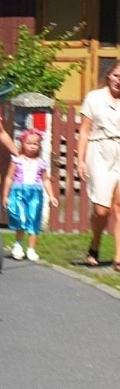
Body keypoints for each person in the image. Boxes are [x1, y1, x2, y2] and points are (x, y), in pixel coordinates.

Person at [76, 61, 120, 271]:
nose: (119, 80)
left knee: (119, 207)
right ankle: (95, 244)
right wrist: (80, 160)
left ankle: (118, 257)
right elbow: (84, 130)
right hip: (100, 151)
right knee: (102, 211)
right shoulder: (94, 98)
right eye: (116, 75)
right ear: (109, 75)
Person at [2, 129, 54, 262]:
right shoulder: (17, 160)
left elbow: (46, 179)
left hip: (35, 193)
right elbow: (9, 177)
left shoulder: (41, 162)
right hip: (19, 192)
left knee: (33, 218)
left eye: (35, 144)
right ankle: (18, 244)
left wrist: (52, 196)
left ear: (39, 145)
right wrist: (5, 195)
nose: (32, 146)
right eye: (29, 143)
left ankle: (31, 248)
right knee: (20, 217)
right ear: (22, 143)